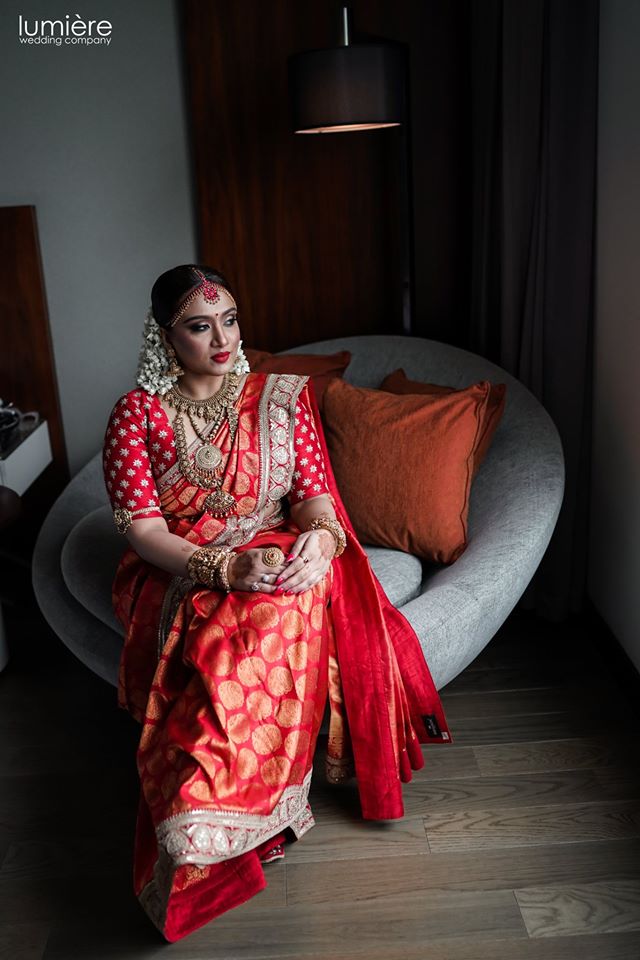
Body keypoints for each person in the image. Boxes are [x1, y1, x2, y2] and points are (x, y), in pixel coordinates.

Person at [102, 264, 453, 942]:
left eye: (229, 319)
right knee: (213, 638)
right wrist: (224, 567)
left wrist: (320, 545)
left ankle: (231, 815)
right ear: (166, 338)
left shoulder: (283, 398)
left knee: (285, 605)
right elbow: (145, 533)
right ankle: (198, 825)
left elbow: (316, 506)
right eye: (200, 327)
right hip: (181, 564)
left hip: (277, 547)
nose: (222, 338)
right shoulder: (138, 414)